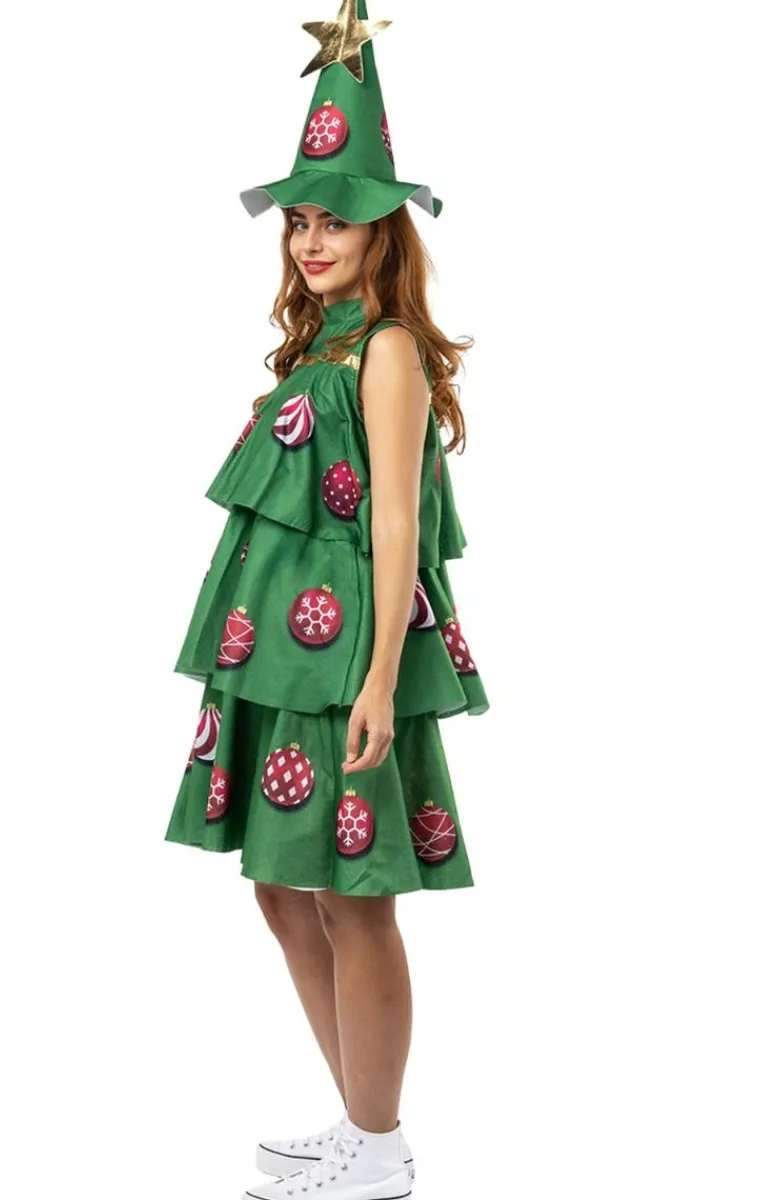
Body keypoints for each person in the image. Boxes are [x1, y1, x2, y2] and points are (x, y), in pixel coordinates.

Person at [164, 3, 487, 1196]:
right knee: (278, 886)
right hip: (280, 660)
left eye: (333, 217)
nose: (309, 237)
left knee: (356, 899)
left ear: (379, 226)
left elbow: (398, 526)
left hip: (346, 664)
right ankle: (361, 1121)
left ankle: (380, 1148)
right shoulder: (321, 345)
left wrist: (381, 681)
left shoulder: (386, 349)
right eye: (299, 218)